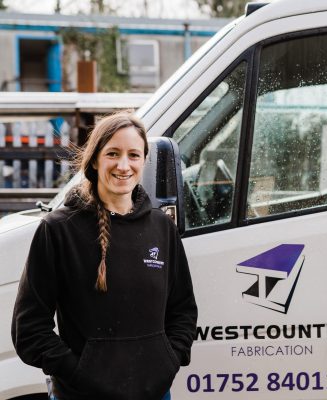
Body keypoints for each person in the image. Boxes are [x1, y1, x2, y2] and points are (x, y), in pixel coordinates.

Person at [11, 112, 198, 400]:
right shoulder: (58, 230)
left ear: (143, 161)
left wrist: (169, 362)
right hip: (81, 395)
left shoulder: (162, 228)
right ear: (95, 160)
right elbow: (29, 329)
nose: (124, 165)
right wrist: (77, 373)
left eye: (133, 155)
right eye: (113, 153)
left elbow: (182, 310)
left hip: (155, 393)